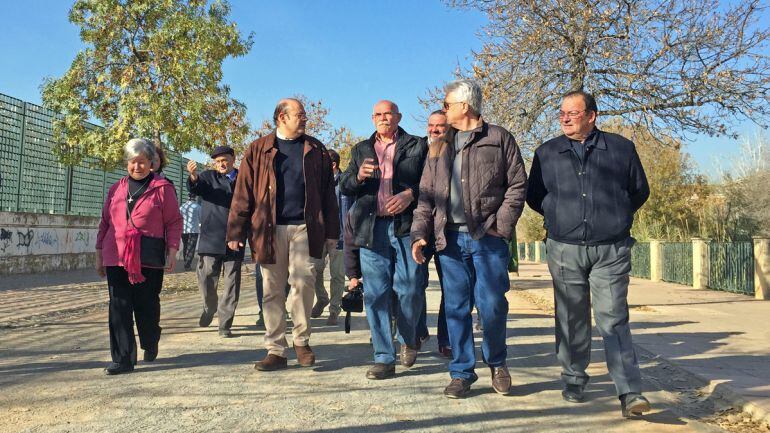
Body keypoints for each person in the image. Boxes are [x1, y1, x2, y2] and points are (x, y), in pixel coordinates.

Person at [526, 90, 651, 418]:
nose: (565, 118)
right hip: (564, 248)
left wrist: (615, 217)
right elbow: (535, 196)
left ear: (592, 116)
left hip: (610, 249)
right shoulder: (547, 153)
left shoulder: (621, 149)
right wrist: (560, 217)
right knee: (571, 317)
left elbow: (639, 190)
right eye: (562, 113)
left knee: (613, 317)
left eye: (573, 113)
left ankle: (629, 391)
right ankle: (573, 378)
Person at [411, 79, 527, 398]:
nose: (443, 109)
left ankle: (497, 363)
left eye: (447, 104)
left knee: (492, 305)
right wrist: (419, 234)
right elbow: (426, 196)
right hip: (449, 241)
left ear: (465, 106)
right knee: (456, 308)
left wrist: (501, 225)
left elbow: (517, 185)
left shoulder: (498, 138)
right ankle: (461, 372)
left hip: (487, 238)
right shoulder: (439, 146)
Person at [227, 98, 340, 371]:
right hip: (268, 228)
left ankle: (301, 340)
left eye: (304, 115)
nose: (305, 119)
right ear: (281, 118)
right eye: (299, 115)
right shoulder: (258, 149)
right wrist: (235, 230)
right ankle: (276, 350)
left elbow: (328, 194)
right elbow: (243, 192)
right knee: (272, 290)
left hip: (305, 227)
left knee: (304, 281)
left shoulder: (316, 149)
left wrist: (332, 232)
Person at [340, 100, 428, 380]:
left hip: (406, 227)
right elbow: (344, 186)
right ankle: (383, 357)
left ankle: (408, 337)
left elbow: (431, 183)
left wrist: (410, 194)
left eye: (388, 113)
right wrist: (357, 176)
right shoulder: (360, 149)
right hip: (372, 228)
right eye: (377, 114)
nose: (383, 118)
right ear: (372, 119)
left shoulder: (416, 145)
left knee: (411, 287)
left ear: (398, 117)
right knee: (376, 294)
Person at [95, 138, 182, 375]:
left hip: (148, 257)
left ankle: (150, 340)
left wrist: (172, 251)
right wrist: (99, 253)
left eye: (142, 162)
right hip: (116, 255)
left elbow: (174, 221)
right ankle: (123, 359)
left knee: (147, 306)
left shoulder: (162, 188)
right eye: (132, 162)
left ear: (151, 163)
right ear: (126, 163)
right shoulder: (116, 189)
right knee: (119, 307)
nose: (137, 167)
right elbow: (105, 223)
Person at [188, 146, 245, 338]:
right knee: (206, 278)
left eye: (224, 160)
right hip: (211, 238)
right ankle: (209, 307)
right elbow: (196, 188)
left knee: (231, 284)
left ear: (233, 159)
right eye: (217, 161)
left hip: (236, 238)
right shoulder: (207, 177)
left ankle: (225, 324)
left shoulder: (244, 178)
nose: (221, 164)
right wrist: (193, 177)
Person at [416, 110, 451, 358]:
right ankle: (418, 330)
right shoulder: (417, 149)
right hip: (418, 226)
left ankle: (446, 338)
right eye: (431, 125)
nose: (435, 130)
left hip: (444, 228)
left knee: (450, 286)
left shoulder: (454, 151)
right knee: (414, 283)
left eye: (440, 126)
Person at [310, 149, 347, 326]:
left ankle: (334, 309)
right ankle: (322, 298)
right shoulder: (316, 183)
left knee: (337, 275)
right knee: (314, 270)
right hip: (319, 234)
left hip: (339, 235)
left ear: (333, 165)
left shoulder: (346, 183)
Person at [179, 193, 201, 271]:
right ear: (195, 197)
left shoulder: (182, 207)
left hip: (184, 229)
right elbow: (201, 218)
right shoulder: (198, 207)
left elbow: (179, 218)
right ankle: (187, 265)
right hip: (193, 230)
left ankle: (186, 262)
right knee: (191, 247)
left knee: (185, 246)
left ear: (188, 197)